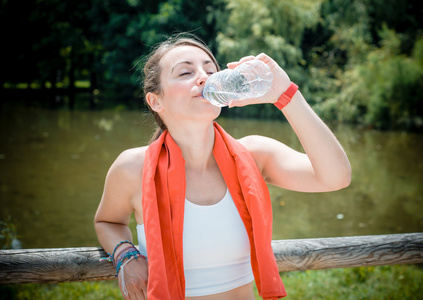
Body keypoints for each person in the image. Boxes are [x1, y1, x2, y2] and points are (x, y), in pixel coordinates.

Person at [94, 33, 351, 300]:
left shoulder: (255, 153)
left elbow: (337, 177)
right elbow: (107, 221)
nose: (204, 76)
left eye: (210, 69)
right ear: (156, 101)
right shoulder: (133, 167)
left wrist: (285, 94)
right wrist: (126, 254)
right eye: (185, 72)